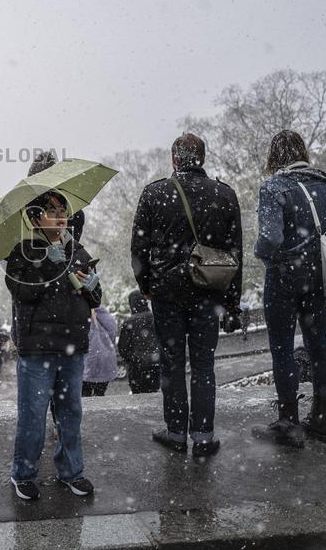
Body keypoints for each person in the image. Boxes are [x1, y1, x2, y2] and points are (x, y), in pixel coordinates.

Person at [131, 133, 242, 458]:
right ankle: (204, 436)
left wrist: (146, 285)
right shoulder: (224, 194)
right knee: (205, 365)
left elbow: (138, 248)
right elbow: (234, 253)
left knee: (172, 365)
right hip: (208, 291)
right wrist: (232, 299)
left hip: (167, 293)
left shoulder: (155, 193)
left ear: (174, 159)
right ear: (202, 159)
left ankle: (177, 433)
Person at [5, 190, 100, 500]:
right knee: (33, 415)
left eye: (63, 211)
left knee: (70, 413)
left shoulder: (78, 251)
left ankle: (72, 471)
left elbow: (94, 299)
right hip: (37, 348)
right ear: (35, 218)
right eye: (52, 211)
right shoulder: (23, 252)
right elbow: (22, 292)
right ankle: (23, 472)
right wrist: (48, 264)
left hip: (72, 345)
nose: (61, 217)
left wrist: (92, 288)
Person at [253, 130, 326, 447]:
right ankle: (321, 419)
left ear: (275, 157)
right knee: (317, 344)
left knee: (282, 347)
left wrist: (260, 252)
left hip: (284, 277)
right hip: (316, 276)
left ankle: (289, 422)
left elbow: (271, 239)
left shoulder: (275, 187)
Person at [117, 291, 161, 394]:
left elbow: (123, 347)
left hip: (136, 365)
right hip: (155, 362)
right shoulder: (155, 318)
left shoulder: (129, 322)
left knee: (138, 395)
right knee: (153, 393)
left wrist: (129, 359)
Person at [82, 305, 118, 397]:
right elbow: (112, 331)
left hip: (87, 361)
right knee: (100, 394)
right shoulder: (104, 313)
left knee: (84, 396)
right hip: (105, 359)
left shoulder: (79, 312)